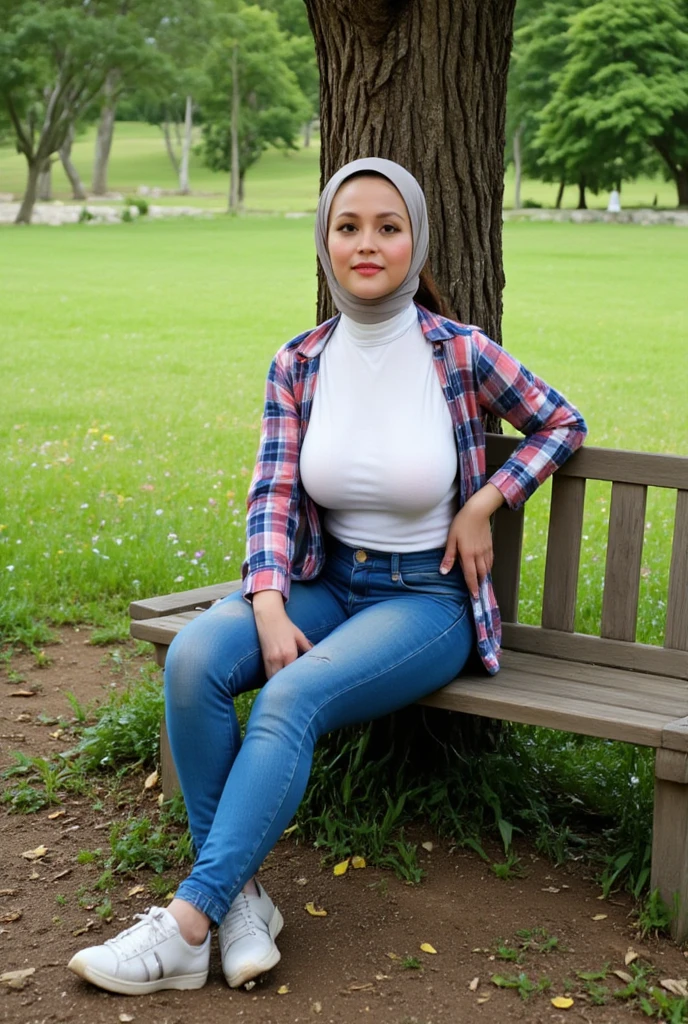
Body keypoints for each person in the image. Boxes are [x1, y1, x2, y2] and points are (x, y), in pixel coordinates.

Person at [68, 157, 587, 996]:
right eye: (349, 228)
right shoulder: (299, 361)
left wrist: (485, 501)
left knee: (289, 697)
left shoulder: (459, 352)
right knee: (197, 658)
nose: (368, 243)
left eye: (389, 227)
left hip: (425, 597)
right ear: (325, 242)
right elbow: (273, 491)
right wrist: (267, 600)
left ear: (416, 241)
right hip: (329, 579)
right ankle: (239, 904)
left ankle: (185, 925)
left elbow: (561, 423)